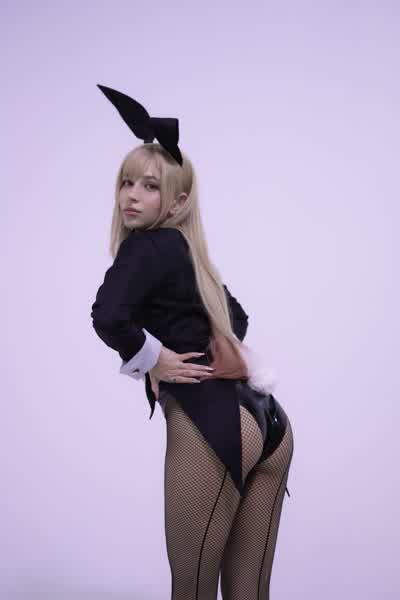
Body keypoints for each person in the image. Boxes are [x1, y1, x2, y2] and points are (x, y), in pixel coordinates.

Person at [91, 85, 294, 599]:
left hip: (213, 427)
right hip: (269, 424)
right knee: (250, 592)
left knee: (192, 591)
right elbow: (237, 319)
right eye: (126, 182)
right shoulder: (188, 252)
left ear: (179, 201)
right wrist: (198, 354)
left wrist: (155, 359)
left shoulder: (146, 248)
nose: (131, 196)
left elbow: (108, 316)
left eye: (149, 187)